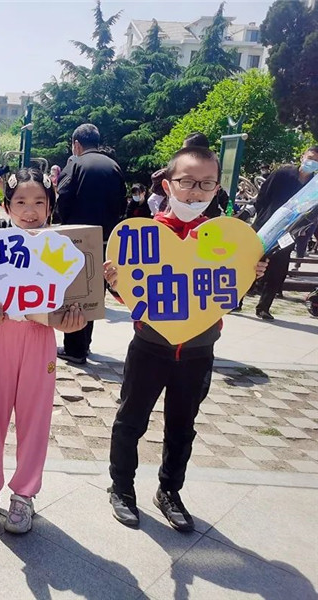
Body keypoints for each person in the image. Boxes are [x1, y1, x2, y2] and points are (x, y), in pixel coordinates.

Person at [104, 146, 268, 532]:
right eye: (187, 182)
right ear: (168, 185)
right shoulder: (143, 234)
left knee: (182, 425)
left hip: (198, 350)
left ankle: (169, 490)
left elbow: (228, 292)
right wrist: (115, 283)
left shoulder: (227, 239)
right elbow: (130, 295)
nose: (196, 192)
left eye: (207, 184)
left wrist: (252, 271)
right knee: (131, 419)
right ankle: (121, 487)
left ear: (217, 188)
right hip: (150, 345)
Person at [0, 168, 86, 534]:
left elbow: (76, 303)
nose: (30, 210)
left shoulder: (63, 251)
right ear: (6, 207)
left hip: (40, 341)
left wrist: (72, 322)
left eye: (39, 202)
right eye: (20, 202)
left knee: (36, 420)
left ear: (50, 207)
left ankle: (24, 494)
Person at [55, 123, 125, 365]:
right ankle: (85, 343)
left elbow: (63, 199)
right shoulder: (113, 166)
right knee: (94, 292)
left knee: (75, 292)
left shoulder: (75, 164)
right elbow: (122, 203)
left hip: (77, 239)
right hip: (105, 239)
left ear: (76, 144)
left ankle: (74, 348)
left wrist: (63, 224)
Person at [253, 146, 318, 319]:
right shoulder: (282, 174)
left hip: (289, 232)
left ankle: (264, 307)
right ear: (302, 157)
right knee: (253, 262)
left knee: (278, 269)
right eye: (310, 158)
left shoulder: (314, 186)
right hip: (266, 227)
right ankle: (238, 300)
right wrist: (264, 218)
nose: (312, 163)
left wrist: (303, 228)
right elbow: (263, 196)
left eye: (316, 161)